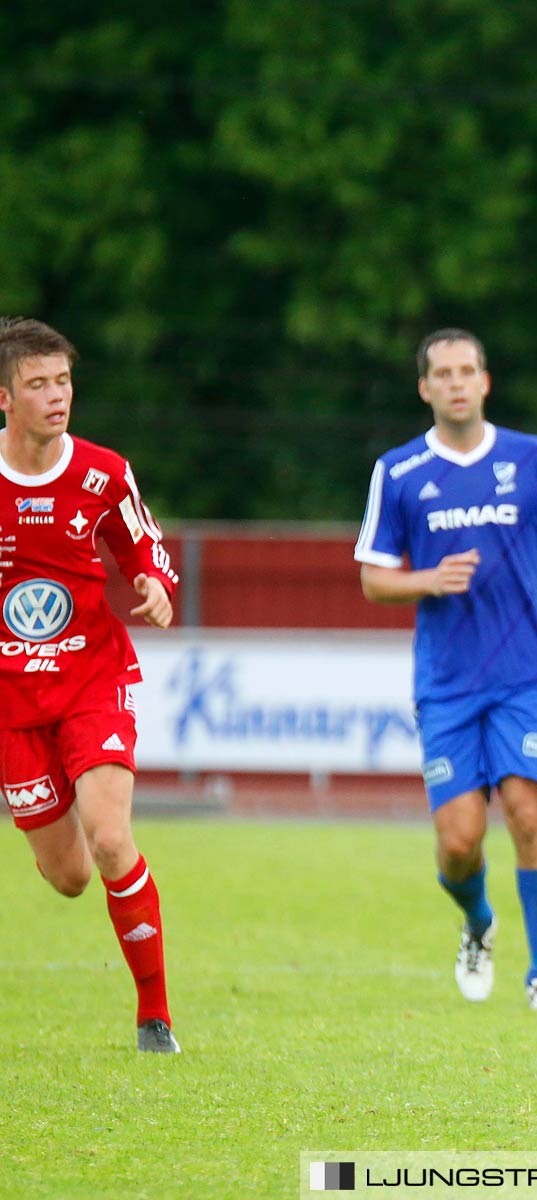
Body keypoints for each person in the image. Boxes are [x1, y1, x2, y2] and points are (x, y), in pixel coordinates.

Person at [356, 329, 537, 1011]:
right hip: (445, 685)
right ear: (425, 388)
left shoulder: (533, 457)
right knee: (460, 842)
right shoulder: (400, 472)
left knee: (529, 813)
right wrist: (429, 578)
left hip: (526, 673)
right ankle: (477, 921)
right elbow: (374, 580)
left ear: (486, 381)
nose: (457, 382)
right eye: (444, 373)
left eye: (468, 370)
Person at [0, 318, 182, 1053]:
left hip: (92, 678)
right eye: (38, 384)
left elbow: (149, 550)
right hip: (13, 701)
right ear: (4, 399)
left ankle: (155, 1017)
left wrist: (157, 584)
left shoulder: (104, 472)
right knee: (70, 876)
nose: (56, 396)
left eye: (64, 381)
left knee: (111, 839)